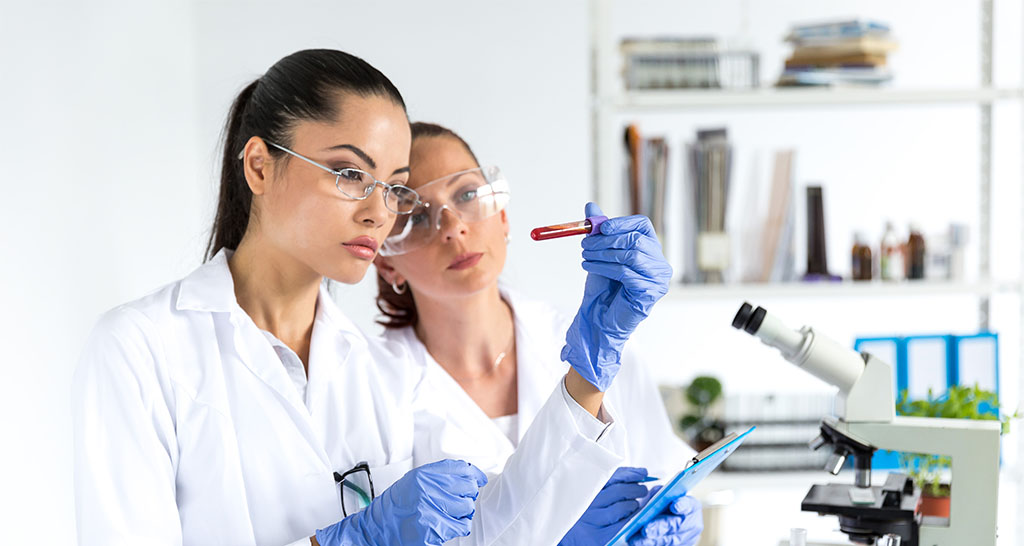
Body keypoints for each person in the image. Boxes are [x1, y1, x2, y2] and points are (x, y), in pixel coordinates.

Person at [72, 50, 671, 546]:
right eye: (349, 174)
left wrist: (591, 364)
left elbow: (487, 535)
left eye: (393, 188)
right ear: (259, 166)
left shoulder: (373, 373)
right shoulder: (140, 349)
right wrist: (349, 542)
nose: (377, 211)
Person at [373, 122, 703, 545]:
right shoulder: (374, 386)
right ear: (385, 261)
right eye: (417, 215)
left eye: (467, 195)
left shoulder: (600, 335)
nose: (453, 226)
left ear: (503, 215)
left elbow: (662, 470)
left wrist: (671, 524)